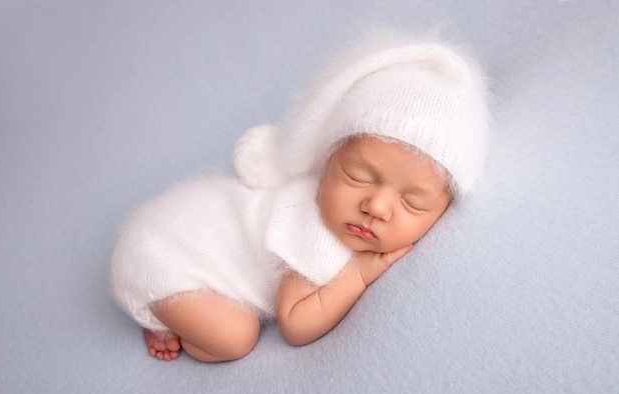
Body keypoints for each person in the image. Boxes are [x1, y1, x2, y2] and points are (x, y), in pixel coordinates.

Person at [109, 32, 490, 362]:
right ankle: (158, 313)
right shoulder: (314, 225)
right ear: (326, 161)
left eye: (412, 203)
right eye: (358, 177)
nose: (375, 207)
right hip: (160, 252)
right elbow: (296, 323)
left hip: (171, 230)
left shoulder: (353, 216)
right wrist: (357, 274)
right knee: (234, 338)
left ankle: (172, 310)